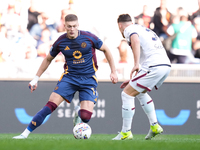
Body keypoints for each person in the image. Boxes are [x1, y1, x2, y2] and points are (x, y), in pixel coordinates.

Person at [12, 14, 118, 139]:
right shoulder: (60, 41)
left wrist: (113, 71)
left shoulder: (89, 37)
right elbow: (48, 59)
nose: (72, 29)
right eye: (69, 27)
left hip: (88, 79)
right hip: (69, 78)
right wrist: (36, 78)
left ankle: (78, 113)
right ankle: (25, 134)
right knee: (49, 106)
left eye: (74, 26)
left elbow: (106, 50)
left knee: (86, 117)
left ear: (78, 25)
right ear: (65, 26)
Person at [112, 14, 171, 140]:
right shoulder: (144, 29)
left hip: (154, 65)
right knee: (139, 92)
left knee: (126, 94)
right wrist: (135, 78)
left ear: (120, 26)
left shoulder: (129, 29)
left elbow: (135, 40)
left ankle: (126, 132)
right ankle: (154, 126)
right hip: (165, 65)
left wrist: (136, 64)